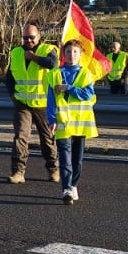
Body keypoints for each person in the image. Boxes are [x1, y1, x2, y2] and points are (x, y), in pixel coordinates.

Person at [46, 40, 98, 204]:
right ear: (63, 54)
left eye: (75, 52)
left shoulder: (86, 74)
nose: (71, 55)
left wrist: (68, 88)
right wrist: (52, 119)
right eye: (68, 52)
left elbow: (87, 95)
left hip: (81, 123)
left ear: (80, 54)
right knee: (65, 158)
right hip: (62, 123)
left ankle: (73, 184)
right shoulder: (54, 74)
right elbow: (50, 99)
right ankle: (67, 188)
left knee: (78, 159)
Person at [5, 23, 58, 185]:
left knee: (47, 139)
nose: (28, 40)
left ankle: (53, 169)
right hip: (23, 104)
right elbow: (10, 77)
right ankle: (18, 172)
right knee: (20, 138)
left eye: (32, 37)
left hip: (43, 105)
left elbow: (52, 64)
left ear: (39, 37)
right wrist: (13, 95)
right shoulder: (15, 52)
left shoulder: (48, 50)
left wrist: (33, 57)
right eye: (25, 37)